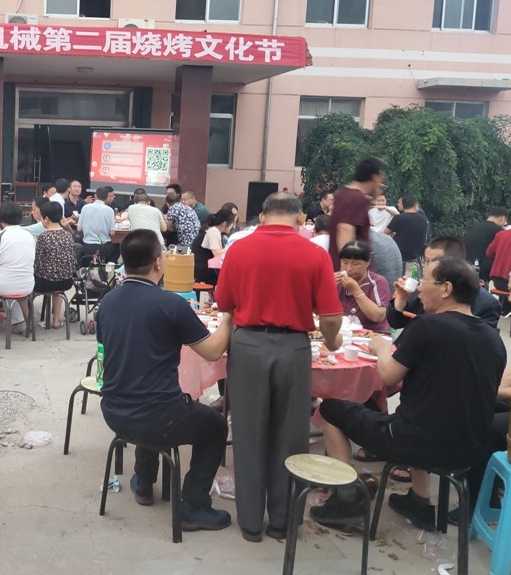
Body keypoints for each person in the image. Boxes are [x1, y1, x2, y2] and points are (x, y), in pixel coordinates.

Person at [310, 257, 505, 531]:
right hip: (469, 449)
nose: (419, 288)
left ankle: (346, 497)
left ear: (446, 288)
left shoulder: (428, 326)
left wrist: (380, 348)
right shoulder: (492, 338)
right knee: (426, 414)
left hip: (413, 442)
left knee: (330, 409)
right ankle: (419, 502)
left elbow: (388, 376)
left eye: (424, 281)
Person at [215, 192, 343, 542]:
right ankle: (283, 522)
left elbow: (224, 302)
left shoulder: (238, 249)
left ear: (262, 215)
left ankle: (250, 523)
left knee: (247, 433)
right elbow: (331, 316)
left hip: (248, 345)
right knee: (290, 436)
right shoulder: (315, 254)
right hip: (293, 348)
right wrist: (332, 341)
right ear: (300, 218)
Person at [98, 229, 232, 531]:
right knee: (214, 426)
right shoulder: (171, 305)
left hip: (114, 412)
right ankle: (194, 506)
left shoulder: (107, 302)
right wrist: (229, 317)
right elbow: (213, 351)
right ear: (159, 262)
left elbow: (107, 354)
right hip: (158, 418)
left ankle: (144, 483)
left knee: (151, 396)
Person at [463, 260, 511, 516]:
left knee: (486, 427)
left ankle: (478, 506)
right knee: (476, 405)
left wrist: (490, 391)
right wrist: (484, 387)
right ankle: (491, 488)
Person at [387, 237, 502, 331]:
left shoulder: (485, 303)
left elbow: (481, 343)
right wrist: (402, 298)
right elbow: (395, 322)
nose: (428, 267)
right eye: (426, 261)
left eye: (435, 262)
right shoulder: (424, 287)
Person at [0, 201, 36, 335]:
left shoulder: (0, 236)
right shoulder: (29, 235)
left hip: (3, 285)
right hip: (27, 285)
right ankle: (20, 323)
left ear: (1, 219)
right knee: (15, 291)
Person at [328, 156, 386, 268]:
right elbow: (345, 229)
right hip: (353, 272)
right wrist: (348, 269)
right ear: (375, 177)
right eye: (381, 179)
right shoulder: (357, 198)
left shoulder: (343, 193)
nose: (380, 184)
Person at [34, 201, 77, 329]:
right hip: (66, 282)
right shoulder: (68, 236)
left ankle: (28, 319)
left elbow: (37, 261)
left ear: (46, 218)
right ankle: (56, 320)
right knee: (58, 289)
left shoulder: (44, 237)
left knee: (32, 281)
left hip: (44, 283)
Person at [335, 240, 391, 333]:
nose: (349, 268)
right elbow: (317, 312)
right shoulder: (335, 279)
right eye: (345, 262)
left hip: (373, 334)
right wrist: (326, 289)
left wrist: (356, 290)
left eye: (355, 264)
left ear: (367, 263)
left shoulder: (377, 282)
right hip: (341, 332)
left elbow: (378, 316)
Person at [385, 194, 429, 275]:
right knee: (412, 281)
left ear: (403, 204)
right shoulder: (423, 220)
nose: (398, 204)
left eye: (399, 202)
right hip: (415, 259)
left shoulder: (399, 218)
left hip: (399, 258)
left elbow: (385, 233)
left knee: (398, 281)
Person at [464, 206, 509, 283]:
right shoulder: (499, 231)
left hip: (467, 264)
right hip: (484, 268)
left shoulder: (473, 227)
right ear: (502, 218)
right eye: (505, 221)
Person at [191, 209, 234, 285]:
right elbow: (217, 254)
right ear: (225, 223)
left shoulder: (213, 230)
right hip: (203, 268)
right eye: (232, 224)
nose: (232, 227)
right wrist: (231, 247)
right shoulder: (213, 231)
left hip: (201, 266)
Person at [78, 187, 118, 262]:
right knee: (116, 248)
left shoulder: (85, 207)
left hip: (87, 246)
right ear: (107, 197)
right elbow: (112, 233)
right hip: (103, 247)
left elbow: (79, 228)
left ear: (95, 195)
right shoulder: (109, 210)